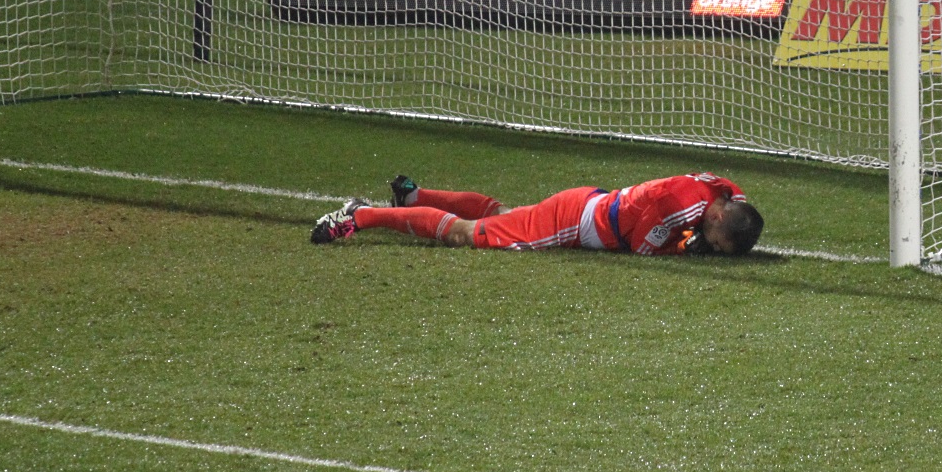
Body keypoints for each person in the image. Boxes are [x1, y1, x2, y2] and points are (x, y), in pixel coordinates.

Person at [311, 172, 763, 257]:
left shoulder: (713, 190)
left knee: (505, 214)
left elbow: (737, 192)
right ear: (717, 220)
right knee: (471, 235)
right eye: (717, 244)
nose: (712, 248)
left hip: (590, 200)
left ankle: (414, 196)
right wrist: (685, 247)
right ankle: (359, 215)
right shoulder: (678, 206)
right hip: (579, 222)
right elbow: (642, 247)